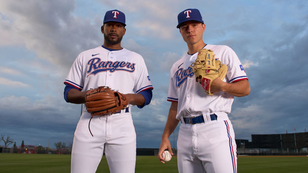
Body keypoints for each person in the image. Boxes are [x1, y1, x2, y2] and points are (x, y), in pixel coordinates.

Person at [158, 8, 250, 173]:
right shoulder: (176, 66)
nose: (190, 29)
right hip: (184, 133)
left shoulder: (223, 52)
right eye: (185, 26)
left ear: (203, 27)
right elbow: (174, 105)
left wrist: (221, 86)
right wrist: (165, 136)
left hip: (214, 128)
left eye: (194, 24)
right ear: (180, 31)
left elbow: (245, 88)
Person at [64, 9, 153, 173]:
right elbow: (68, 93)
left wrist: (126, 98)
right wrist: (90, 95)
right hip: (90, 122)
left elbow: (146, 95)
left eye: (118, 25)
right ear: (102, 28)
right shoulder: (85, 56)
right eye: (110, 25)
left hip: (122, 123)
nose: (113, 29)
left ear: (124, 31)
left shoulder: (135, 58)